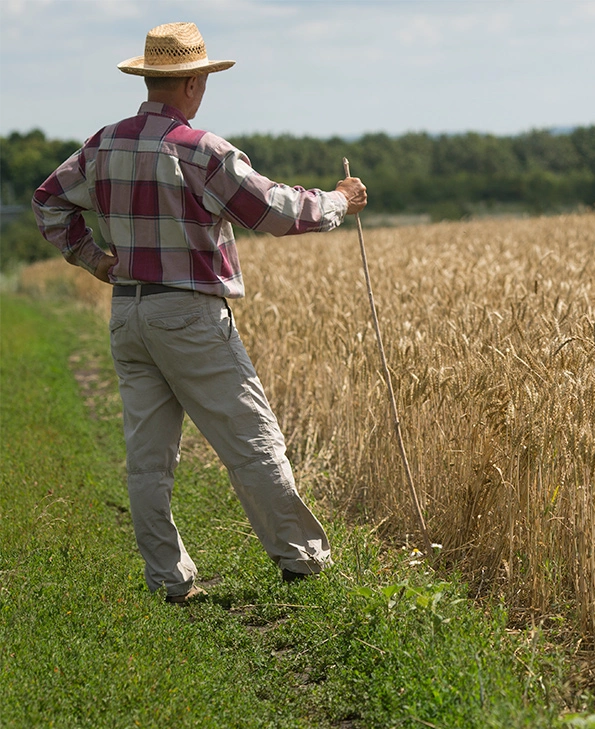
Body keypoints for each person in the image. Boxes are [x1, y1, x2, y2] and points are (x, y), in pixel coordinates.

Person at [32, 22, 366, 605]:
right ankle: (304, 565)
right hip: (189, 316)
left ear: (150, 78)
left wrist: (95, 260)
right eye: (203, 80)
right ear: (190, 81)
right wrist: (340, 200)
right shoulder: (202, 151)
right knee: (252, 440)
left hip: (129, 313)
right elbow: (274, 212)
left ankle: (168, 579)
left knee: (147, 458)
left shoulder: (103, 144)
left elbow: (47, 200)